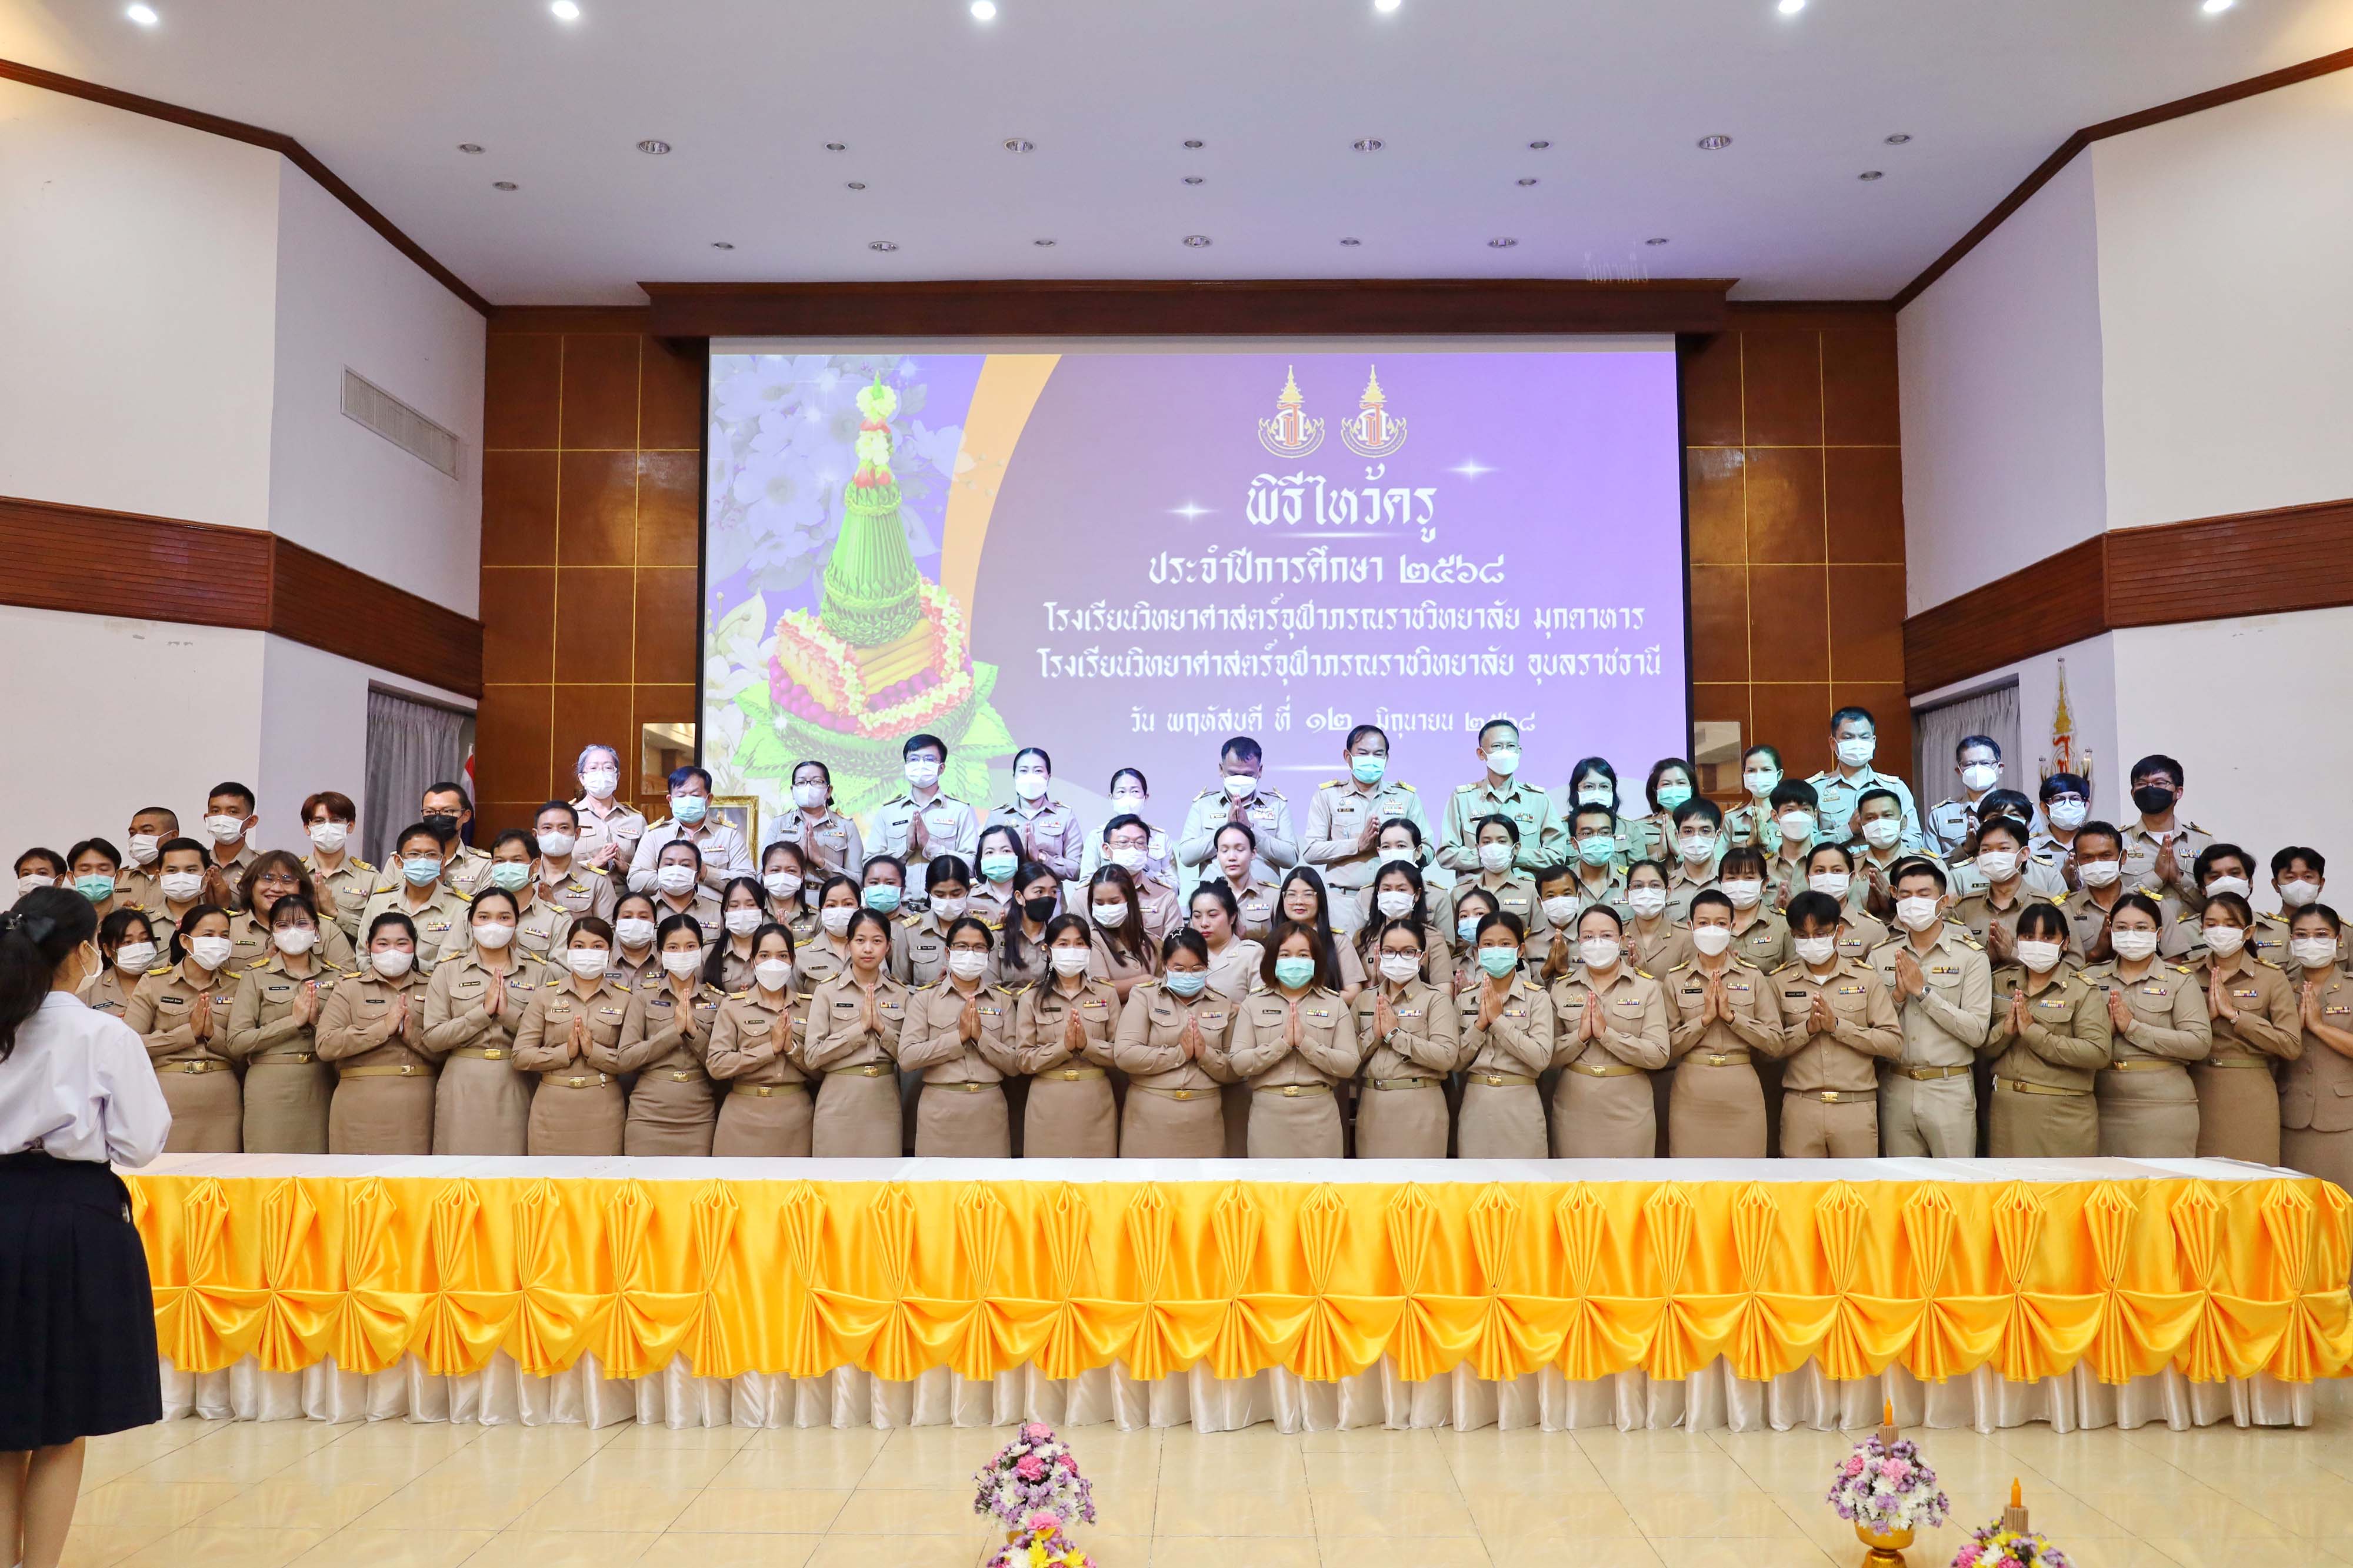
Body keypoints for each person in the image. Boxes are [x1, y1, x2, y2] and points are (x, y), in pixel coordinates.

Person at [0, 889, 171, 1568]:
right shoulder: (103, 1034)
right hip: (72, 1217)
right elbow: (139, 1143)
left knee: (4, 1420)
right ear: (82, 951)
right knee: (61, 1419)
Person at [1868, 859, 1991, 1158]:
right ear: (1895, 897)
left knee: (1955, 1181)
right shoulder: (1880, 955)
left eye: (1924, 895)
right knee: (1903, 1182)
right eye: (1906, 895)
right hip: (1896, 1085)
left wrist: (1923, 994)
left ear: (1943, 901)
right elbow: (1870, 1029)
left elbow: (1977, 1032)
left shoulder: (1970, 957)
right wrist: (1898, 996)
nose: (1914, 902)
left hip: (1949, 1087)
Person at [1773, 890, 1903, 1157]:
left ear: (1839, 932)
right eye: (1802, 935)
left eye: (1820, 934)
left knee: (1857, 1184)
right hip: (1801, 1107)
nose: (1812, 942)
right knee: (1800, 1183)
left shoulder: (1865, 979)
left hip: (1855, 1106)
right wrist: (1806, 1030)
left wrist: (1838, 1027)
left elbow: (1893, 1044)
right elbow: (1768, 1049)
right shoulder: (1779, 981)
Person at [2085, 893, 2211, 1157]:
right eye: (2122, 928)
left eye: (2141, 928)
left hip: (2163, 1107)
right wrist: (2106, 1031)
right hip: (2100, 1102)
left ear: (2159, 933)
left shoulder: (2179, 980)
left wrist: (2133, 1028)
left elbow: (2198, 1044)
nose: (2131, 935)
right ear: (2110, 931)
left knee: (2161, 1182)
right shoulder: (2090, 979)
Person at [419, 888, 544, 1154]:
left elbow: (546, 1038)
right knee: (459, 1166)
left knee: (514, 1168)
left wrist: (507, 1014)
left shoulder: (539, 972)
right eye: (484, 917)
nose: (493, 925)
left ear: (517, 922)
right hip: (463, 1081)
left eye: (504, 917)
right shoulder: (448, 971)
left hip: (517, 1080)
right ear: (471, 922)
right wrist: (483, 1013)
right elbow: (433, 1038)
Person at [1661, 889, 1782, 1157]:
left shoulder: (1752, 977)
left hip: (1741, 1090)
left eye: (1720, 923)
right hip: (1692, 1092)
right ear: (1691, 926)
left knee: (1745, 1175)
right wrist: (1703, 1021)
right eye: (1703, 923)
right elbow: (1665, 1049)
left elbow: (1776, 1043)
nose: (1712, 930)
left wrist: (1733, 1019)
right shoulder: (1675, 980)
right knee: (1691, 1175)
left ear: (1732, 926)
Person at [1984, 903, 2110, 1157]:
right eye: (2029, 937)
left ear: (2066, 943)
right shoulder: (2000, 982)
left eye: (2048, 937)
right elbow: (1980, 1049)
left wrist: (2034, 1034)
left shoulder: (2082, 989)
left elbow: (2098, 1053)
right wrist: (2005, 1032)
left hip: (2062, 1113)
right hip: (2007, 1113)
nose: (2037, 944)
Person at [1546, 905, 1671, 1158]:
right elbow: (1548, 1056)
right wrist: (1580, 1037)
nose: (1597, 943)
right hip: (1575, 1109)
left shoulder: (1647, 987)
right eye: (1588, 937)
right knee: (1576, 1180)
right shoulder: (1560, 988)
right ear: (1579, 942)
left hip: (1629, 1111)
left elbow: (1659, 1054)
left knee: (1628, 1181)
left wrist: (1607, 1036)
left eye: (1606, 936)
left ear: (1621, 940)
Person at [2185, 892, 2300, 1165]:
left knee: (2252, 1177)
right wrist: (2208, 1017)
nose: (2220, 931)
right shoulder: (2186, 975)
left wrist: (2236, 1016)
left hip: (2250, 1091)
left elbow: (2291, 1045)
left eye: (2230, 924)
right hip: (2195, 1088)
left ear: (2248, 931)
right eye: (2212, 924)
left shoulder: (2271, 977)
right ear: (2202, 929)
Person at [1228, 921, 1359, 1157]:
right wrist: (1282, 1045)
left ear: (1316, 960)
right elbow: (1238, 1062)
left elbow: (1349, 1064)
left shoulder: (1334, 1003)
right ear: (1273, 959)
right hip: (1269, 1114)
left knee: (1321, 1181)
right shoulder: (1253, 1003)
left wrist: (1306, 1045)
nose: (1294, 961)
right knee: (1269, 1181)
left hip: (1319, 1114)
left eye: (1303, 955)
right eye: (1285, 955)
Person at [226, 892, 343, 1153]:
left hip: (320, 1083)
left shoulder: (336, 977)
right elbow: (237, 1041)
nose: (293, 931)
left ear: (316, 929)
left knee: (320, 1168)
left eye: (302, 924)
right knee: (268, 1165)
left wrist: (316, 1022)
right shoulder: (256, 976)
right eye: (283, 925)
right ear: (272, 932)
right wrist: (294, 1022)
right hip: (270, 1086)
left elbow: (341, 1036)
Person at [315, 912, 436, 1154]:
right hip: (361, 1105)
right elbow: (326, 1045)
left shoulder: (433, 986)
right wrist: (383, 1029)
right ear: (368, 946)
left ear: (414, 946)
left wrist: (412, 1036)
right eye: (383, 943)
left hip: (418, 1107)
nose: (393, 951)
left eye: (401, 943)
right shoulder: (349, 988)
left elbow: (447, 1050)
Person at [124, 903, 242, 1151]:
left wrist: (212, 1034)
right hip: (168, 1093)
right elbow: (129, 1044)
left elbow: (245, 1048)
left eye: (224, 936)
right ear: (185, 941)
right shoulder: (154, 983)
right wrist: (187, 1034)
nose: (217, 942)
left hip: (222, 1098)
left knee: (224, 1169)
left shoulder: (239, 985)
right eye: (208, 935)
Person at [898, 918, 1020, 1156]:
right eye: (962, 946)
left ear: (988, 954)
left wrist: (981, 1038)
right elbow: (907, 1058)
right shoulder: (925, 999)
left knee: (989, 1180)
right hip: (940, 1110)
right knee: (937, 1180)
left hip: (988, 1110)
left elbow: (1015, 1064)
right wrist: (959, 1038)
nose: (970, 953)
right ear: (948, 952)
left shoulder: (1002, 1000)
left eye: (979, 947)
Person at [1113, 930, 1238, 1156]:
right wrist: (1179, 1054)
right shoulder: (1144, 997)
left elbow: (1235, 1069)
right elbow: (1125, 1055)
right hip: (1150, 1118)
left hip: (1204, 1122)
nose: (1188, 975)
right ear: (1165, 965)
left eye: (1197, 968)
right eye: (1179, 969)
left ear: (1207, 966)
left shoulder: (1221, 1003)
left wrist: (1205, 1055)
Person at [512, 919, 629, 1155]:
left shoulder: (625, 999)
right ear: (568, 951)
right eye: (579, 946)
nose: (588, 952)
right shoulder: (545, 996)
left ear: (609, 952)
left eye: (597, 946)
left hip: (603, 1108)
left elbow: (631, 1059)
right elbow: (520, 1056)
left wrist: (593, 1052)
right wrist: (564, 1053)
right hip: (552, 1108)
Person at [1302, 724, 1434, 930]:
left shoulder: (1406, 797)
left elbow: (1428, 849)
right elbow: (1311, 852)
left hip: (1397, 901)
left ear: (1386, 759)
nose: (1371, 759)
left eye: (1378, 754)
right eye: (1363, 753)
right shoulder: (1327, 796)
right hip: (1344, 901)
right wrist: (1357, 845)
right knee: (1344, 952)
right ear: (1348, 757)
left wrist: (1400, 851)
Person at [802, 908, 910, 1156]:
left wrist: (881, 1029)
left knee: (883, 1177)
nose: (868, 949)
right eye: (860, 940)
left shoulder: (901, 993)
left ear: (888, 946)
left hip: (883, 1101)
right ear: (848, 944)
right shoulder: (827, 991)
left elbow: (909, 1057)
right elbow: (812, 1056)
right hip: (839, 1101)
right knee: (835, 1176)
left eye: (877, 941)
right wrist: (859, 1030)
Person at [1349, 919, 1461, 1158]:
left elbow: (1446, 1057)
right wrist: (1375, 1035)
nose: (1398, 958)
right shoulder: (1364, 1000)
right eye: (1390, 951)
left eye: (1408, 952)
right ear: (1379, 955)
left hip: (1420, 1106)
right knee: (1374, 1180)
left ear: (1422, 957)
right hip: (1373, 1107)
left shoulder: (1436, 999)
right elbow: (1348, 1060)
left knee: (1421, 1180)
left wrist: (1395, 1035)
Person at [1015, 914, 1122, 1157]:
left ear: (1089, 949)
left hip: (1094, 1102)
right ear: (1048, 950)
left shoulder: (1106, 994)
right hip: (1048, 1102)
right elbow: (1023, 1060)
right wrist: (1063, 1048)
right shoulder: (1031, 998)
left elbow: (1122, 1055)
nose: (1072, 950)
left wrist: (1087, 1046)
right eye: (1063, 944)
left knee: (1096, 1177)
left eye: (1079, 943)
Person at [619, 914, 726, 1155]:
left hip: (698, 1114)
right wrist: (673, 1032)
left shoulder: (718, 1000)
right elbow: (625, 1058)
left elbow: (720, 1065)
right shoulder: (643, 997)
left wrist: (694, 1032)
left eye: (690, 946)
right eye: (673, 947)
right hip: (648, 1113)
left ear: (700, 951)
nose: (682, 953)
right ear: (660, 953)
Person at [1453, 912, 1554, 1158]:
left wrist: (1498, 1021)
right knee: (1476, 1179)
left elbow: (1541, 1058)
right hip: (1476, 1103)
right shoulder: (1465, 998)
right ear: (1478, 951)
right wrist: (1479, 1027)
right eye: (1488, 944)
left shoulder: (1537, 997)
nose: (1496, 950)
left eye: (1505, 944)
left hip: (1521, 1103)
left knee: (1524, 1179)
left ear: (1520, 951)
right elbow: (1454, 1062)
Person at [706, 923, 812, 1157]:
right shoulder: (733, 1006)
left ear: (793, 960)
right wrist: (770, 1049)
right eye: (764, 956)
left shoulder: (808, 1006)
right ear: (753, 961)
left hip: (795, 1119)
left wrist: (792, 1049)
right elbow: (716, 1065)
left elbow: (820, 1070)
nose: (773, 963)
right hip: (742, 1117)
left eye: (782, 956)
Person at [2282, 904, 2353, 1188]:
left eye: (2321, 934)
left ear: (2339, 940)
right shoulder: (2281, 987)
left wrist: (2320, 1027)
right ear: (2291, 940)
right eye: (2301, 935)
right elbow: (2268, 1047)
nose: (2311, 941)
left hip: (2343, 1116)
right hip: (2290, 1114)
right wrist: (2293, 1029)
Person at [1438, 718, 1562, 875]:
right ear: (1481, 754)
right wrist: (1486, 856)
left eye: (1511, 746)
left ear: (1519, 752)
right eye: (1497, 746)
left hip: (1523, 887)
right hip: (1476, 888)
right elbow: (1446, 855)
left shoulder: (1538, 799)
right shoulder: (1462, 799)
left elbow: (1557, 854)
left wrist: (1515, 855)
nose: (1505, 752)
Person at [1176, 735, 1298, 892]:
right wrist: (1224, 831)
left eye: (1247, 775)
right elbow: (1187, 857)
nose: (1240, 780)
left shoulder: (1277, 805)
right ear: (1221, 769)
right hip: (1216, 896)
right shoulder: (1203, 805)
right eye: (1233, 774)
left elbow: (1291, 858)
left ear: (1260, 771)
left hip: (1263, 897)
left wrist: (1251, 830)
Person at [871, 733, 981, 900]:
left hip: (944, 906)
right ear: (906, 766)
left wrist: (931, 847)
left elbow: (973, 867)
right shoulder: (888, 812)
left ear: (942, 768)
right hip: (897, 906)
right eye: (914, 759)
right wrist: (906, 849)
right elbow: (870, 866)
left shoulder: (960, 810)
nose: (921, 765)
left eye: (929, 759)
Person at [443, 829, 574, 965]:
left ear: (535, 866)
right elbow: (445, 966)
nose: (507, 867)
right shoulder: (471, 914)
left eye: (516, 860)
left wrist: (513, 954)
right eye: (500, 861)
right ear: (492, 865)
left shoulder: (557, 920)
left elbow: (564, 972)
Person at [357, 823, 470, 975]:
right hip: (380, 986)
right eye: (414, 854)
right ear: (398, 861)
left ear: (442, 862)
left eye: (431, 855)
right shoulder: (379, 902)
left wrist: (410, 967)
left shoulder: (460, 907)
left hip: (434, 988)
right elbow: (363, 956)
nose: (423, 861)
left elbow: (459, 964)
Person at [1807, 706, 1923, 851]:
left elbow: (1916, 843)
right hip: (1838, 865)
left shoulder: (1895, 788)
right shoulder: (1815, 790)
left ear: (1873, 742)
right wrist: (1848, 829)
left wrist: (1884, 834)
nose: (1857, 743)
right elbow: (1806, 846)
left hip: (1887, 865)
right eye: (1848, 737)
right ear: (1833, 743)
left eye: (1864, 737)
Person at [630, 765, 753, 897]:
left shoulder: (728, 834)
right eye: (681, 796)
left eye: (695, 795)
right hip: (666, 910)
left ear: (709, 799)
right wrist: (674, 877)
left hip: (714, 910)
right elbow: (635, 881)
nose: (688, 801)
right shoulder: (655, 835)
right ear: (670, 800)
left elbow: (748, 882)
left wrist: (706, 873)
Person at [228, 851, 357, 973]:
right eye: (268, 879)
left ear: (302, 888)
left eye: (287, 880)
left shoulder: (325, 929)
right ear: (251, 884)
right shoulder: (229, 927)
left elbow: (348, 979)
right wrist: (261, 971)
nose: (277, 888)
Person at [1948, 817, 2052, 964]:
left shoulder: (2049, 907)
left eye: (2003, 849)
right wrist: (1987, 958)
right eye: (1986, 850)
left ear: (2024, 853)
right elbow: (1951, 963)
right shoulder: (1963, 909)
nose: (1994, 855)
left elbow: (2071, 963)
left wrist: (2013, 954)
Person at [2120, 753, 2211, 910]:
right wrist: (2156, 878)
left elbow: (2217, 904)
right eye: (2141, 784)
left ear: (2178, 792)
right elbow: (2111, 904)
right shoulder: (2119, 842)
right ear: (2133, 793)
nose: (2150, 788)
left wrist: (2179, 880)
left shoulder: (2203, 843)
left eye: (2160, 783)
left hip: (2194, 926)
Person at [1447, 814, 1545, 953]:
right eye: (1487, 842)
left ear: (1516, 848)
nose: (1493, 847)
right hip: (1469, 965)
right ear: (1478, 848)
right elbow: (1452, 945)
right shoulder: (1460, 893)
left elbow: (1539, 942)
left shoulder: (1531, 891)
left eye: (1502, 841)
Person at [987, 746, 1084, 882]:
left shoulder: (1064, 815)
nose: (1030, 777)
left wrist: (1041, 858)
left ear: (1048, 777)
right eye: (1024, 771)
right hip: (1008, 891)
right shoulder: (998, 816)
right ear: (1014, 777)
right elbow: (984, 861)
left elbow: (1077, 870)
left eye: (1038, 771)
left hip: (1049, 893)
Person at [2057, 820, 2153, 957]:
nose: (2097, 863)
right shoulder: (2064, 910)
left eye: (2106, 856)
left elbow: (2173, 960)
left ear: (2123, 857)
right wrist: (2095, 954)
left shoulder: (2152, 905)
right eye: (2088, 857)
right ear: (2077, 861)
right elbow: (2060, 965)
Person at [2164, 845, 2269, 963]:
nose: (2226, 882)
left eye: (2234, 874)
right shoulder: (2183, 932)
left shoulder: (2278, 930)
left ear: (2250, 882)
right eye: (2215, 877)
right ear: (2203, 888)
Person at [1358, 859, 1451, 990]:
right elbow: (1355, 991)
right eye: (1387, 889)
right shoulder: (1363, 938)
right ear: (1378, 893)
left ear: (1417, 895)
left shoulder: (1433, 939)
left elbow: (1444, 991)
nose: (1393, 895)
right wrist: (1375, 987)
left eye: (1401, 890)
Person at [1274, 866, 1363, 999]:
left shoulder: (1338, 941)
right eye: (1292, 895)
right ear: (1283, 898)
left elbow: (1353, 994)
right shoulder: (1271, 941)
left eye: (1308, 895)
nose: (1299, 901)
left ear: (1320, 898)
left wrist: (1311, 1000)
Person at [298, 790, 375, 940]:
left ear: (350, 826)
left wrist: (335, 913)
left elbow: (379, 935)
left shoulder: (370, 878)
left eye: (336, 820)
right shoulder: (294, 872)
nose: (327, 827)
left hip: (349, 955)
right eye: (319, 821)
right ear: (307, 828)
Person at [772, 759, 864, 882]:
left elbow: (858, 881)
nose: (808, 787)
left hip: (831, 894)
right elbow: (763, 877)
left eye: (817, 782)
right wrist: (797, 859)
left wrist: (821, 862)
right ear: (793, 791)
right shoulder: (779, 824)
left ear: (829, 791)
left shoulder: (846, 826)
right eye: (801, 782)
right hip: (790, 894)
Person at [1080, 768, 1175, 886]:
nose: (1128, 798)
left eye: (1135, 791)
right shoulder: (1097, 837)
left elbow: (1174, 887)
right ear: (1111, 798)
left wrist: (1145, 871)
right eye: (1121, 792)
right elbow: (1086, 885)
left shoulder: (1161, 838)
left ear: (1146, 797)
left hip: (1152, 898)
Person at [1924, 735, 2016, 857]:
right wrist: (1966, 849)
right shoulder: (1940, 815)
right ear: (1959, 771)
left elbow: (2032, 858)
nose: (1978, 769)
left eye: (1985, 763)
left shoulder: (2019, 810)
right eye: (1969, 764)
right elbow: (1930, 865)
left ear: (2000, 768)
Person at [532, 800, 618, 924]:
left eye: (564, 828)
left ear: (577, 834)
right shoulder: (523, 879)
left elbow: (607, 932)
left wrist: (556, 909)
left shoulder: (598, 882)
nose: (555, 834)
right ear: (536, 835)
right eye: (547, 828)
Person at [1803, 843, 1889, 963]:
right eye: (1820, 871)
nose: (1828, 878)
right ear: (1808, 878)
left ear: (1852, 877)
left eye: (1837, 871)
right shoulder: (1792, 926)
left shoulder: (1873, 929)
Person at [571, 742, 647, 875]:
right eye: (593, 768)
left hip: (622, 888)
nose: (601, 773)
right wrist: (592, 864)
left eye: (608, 768)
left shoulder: (636, 819)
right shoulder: (569, 817)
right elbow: (554, 867)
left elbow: (648, 870)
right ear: (582, 778)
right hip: (580, 887)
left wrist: (627, 868)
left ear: (617, 777)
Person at [1083, 865, 1158, 1000]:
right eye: (1099, 903)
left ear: (1130, 900)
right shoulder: (1089, 938)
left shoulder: (1152, 940)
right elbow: (1101, 990)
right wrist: (1147, 981)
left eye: (1114, 902)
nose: (1106, 908)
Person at [1102, 816, 1181, 942]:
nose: (1132, 848)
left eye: (1140, 843)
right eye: (1123, 842)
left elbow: (1175, 947)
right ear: (1107, 850)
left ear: (1147, 851)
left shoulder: (1165, 897)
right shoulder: (1086, 895)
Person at [1188, 882, 1265, 1002]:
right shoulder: (1185, 953)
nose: (1204, 923)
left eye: (1213, 915)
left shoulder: (1251, 954)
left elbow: (1261, 1006)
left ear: (1233, 917)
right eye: (1197, 916)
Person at [416, 780, 492, 900]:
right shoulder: (402, 862)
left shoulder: (483, 865)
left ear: (466, 816)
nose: (438, 818)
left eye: (447, 811)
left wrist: (440, 888)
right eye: (430, 812)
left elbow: (488, 909)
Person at [1717, 846, 1790, 970]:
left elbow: (1794, 974)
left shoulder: (1783, 925)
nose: (1740, 884)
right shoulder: (1708, 926)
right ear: (1721, 883)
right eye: (1732, 878)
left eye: (1749, 878)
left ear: (1765, 883)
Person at [991, 863, 1061, 990]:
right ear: (1019, 897)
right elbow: (991, 989)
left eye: (1053, 892)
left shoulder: (1058, 938)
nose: (1048, 898)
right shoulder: (997, 937)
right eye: (1039, 892)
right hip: (1007, 1002)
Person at [1205, 822, 1280, 940]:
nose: (1232, 857)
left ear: (1253, 853)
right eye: (1224, 850)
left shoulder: (1273, 896)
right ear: (1217, 854)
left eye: (1240, 850)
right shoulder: (1206, 897)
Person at [79, 909, 159, 1020]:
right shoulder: (89, 990)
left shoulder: (168, 982)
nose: (138, 947)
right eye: (128, 942)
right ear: (108, 950)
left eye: (145, 939)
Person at [141, 837, 213, 952]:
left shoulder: (223, 923)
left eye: (191, 870)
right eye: (172, 871)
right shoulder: (141, 923)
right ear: (159, 877)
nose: (181, 877)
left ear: (207, 875)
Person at [2267, 847, 2333, 973]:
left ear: (2321, 884)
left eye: (2308, 877)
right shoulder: (2260, 931)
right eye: (2291, 877)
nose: (2299, 884)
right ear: (2276, 885)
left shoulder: (2344, 931)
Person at [1625, 757, 1699, 868]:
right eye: (1666, 784)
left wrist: (1679, 854)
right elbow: (1632, 870)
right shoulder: (1638, 827)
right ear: (1656, 791)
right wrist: (1659, 855)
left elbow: (1715, 865)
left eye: (1681, 783)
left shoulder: (1705, 825)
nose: (1674, 789)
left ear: (1691, 788)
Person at [1620, 859, 1690, 975]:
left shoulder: (1686, 937)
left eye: (1655, 886)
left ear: (1667, 892)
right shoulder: (1617, 935)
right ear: (1627, 894)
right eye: (1638, 886)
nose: (1646, 892)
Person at [1567, 758, 1641, 865]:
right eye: (1589, 786)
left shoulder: (1629, 828)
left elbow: (1640, 870)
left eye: (1604, 786)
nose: (1597, 793)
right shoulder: (1561, 829)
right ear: (1576, 790)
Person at [1562, 804, 1631, 920]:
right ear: (1574, 843)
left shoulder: (1631, 880)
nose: (1597, 840)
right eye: (1587, 833)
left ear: (1613, 840)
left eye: (1604, 833)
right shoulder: (1562, 882)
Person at [198, 781, 262, 903]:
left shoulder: (264, 866)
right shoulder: (195, 864)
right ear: (207, 819)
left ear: (251, 821)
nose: (222, 818)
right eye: (215, 811)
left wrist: (228, 906)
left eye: (233, 812)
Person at [1762, 780, 1822, 910]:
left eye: (1805, 810)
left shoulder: (1827, 864)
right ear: (1775, 816)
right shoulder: (1762, 867)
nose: (1798, 817)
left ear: (1815, 815)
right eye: (1790, 810)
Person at [797, 875, 863, 990]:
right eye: (831, 905)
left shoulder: (872, 950)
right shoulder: (801, 954)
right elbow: (793, 998)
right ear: (821, 911)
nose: (839, 911)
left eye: (848, 904)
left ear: (860, 909)